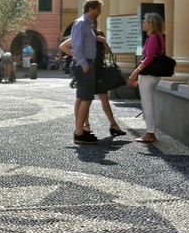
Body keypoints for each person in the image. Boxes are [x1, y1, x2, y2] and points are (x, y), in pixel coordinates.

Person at [59, 19, 125, 138]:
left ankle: (113, 125)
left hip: (99, 72)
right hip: (86, 71)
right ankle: (85, 126)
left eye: (94, 23)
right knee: (84, 99)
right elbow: (63, 46)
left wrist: (104, 42)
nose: (92, 25)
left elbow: (107, 52)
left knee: (104, 99)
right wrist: (77, 55)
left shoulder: (100, 35)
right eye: (90, 23)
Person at [127, 12, 166, 143]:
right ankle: (150, 132)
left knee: (147, 104)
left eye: (145, 21)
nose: (142, 23)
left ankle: (149, 134)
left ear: (151, 24)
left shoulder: (153, 38)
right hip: (153, 75)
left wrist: (135, 73)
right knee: (149, 103)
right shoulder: (159, 37)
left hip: (148, 76)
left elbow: (148, 58)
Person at [70, 0, 103, 145]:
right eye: (98, 9)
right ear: (91, 9)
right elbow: (76, 46)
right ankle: (79, 133)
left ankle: (80, 129)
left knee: (81, 97)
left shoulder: (86, 24)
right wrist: (84, 64)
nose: (99, 12)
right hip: (84, 64)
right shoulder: (82, 23)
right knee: (87, 98)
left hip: (85, 63)